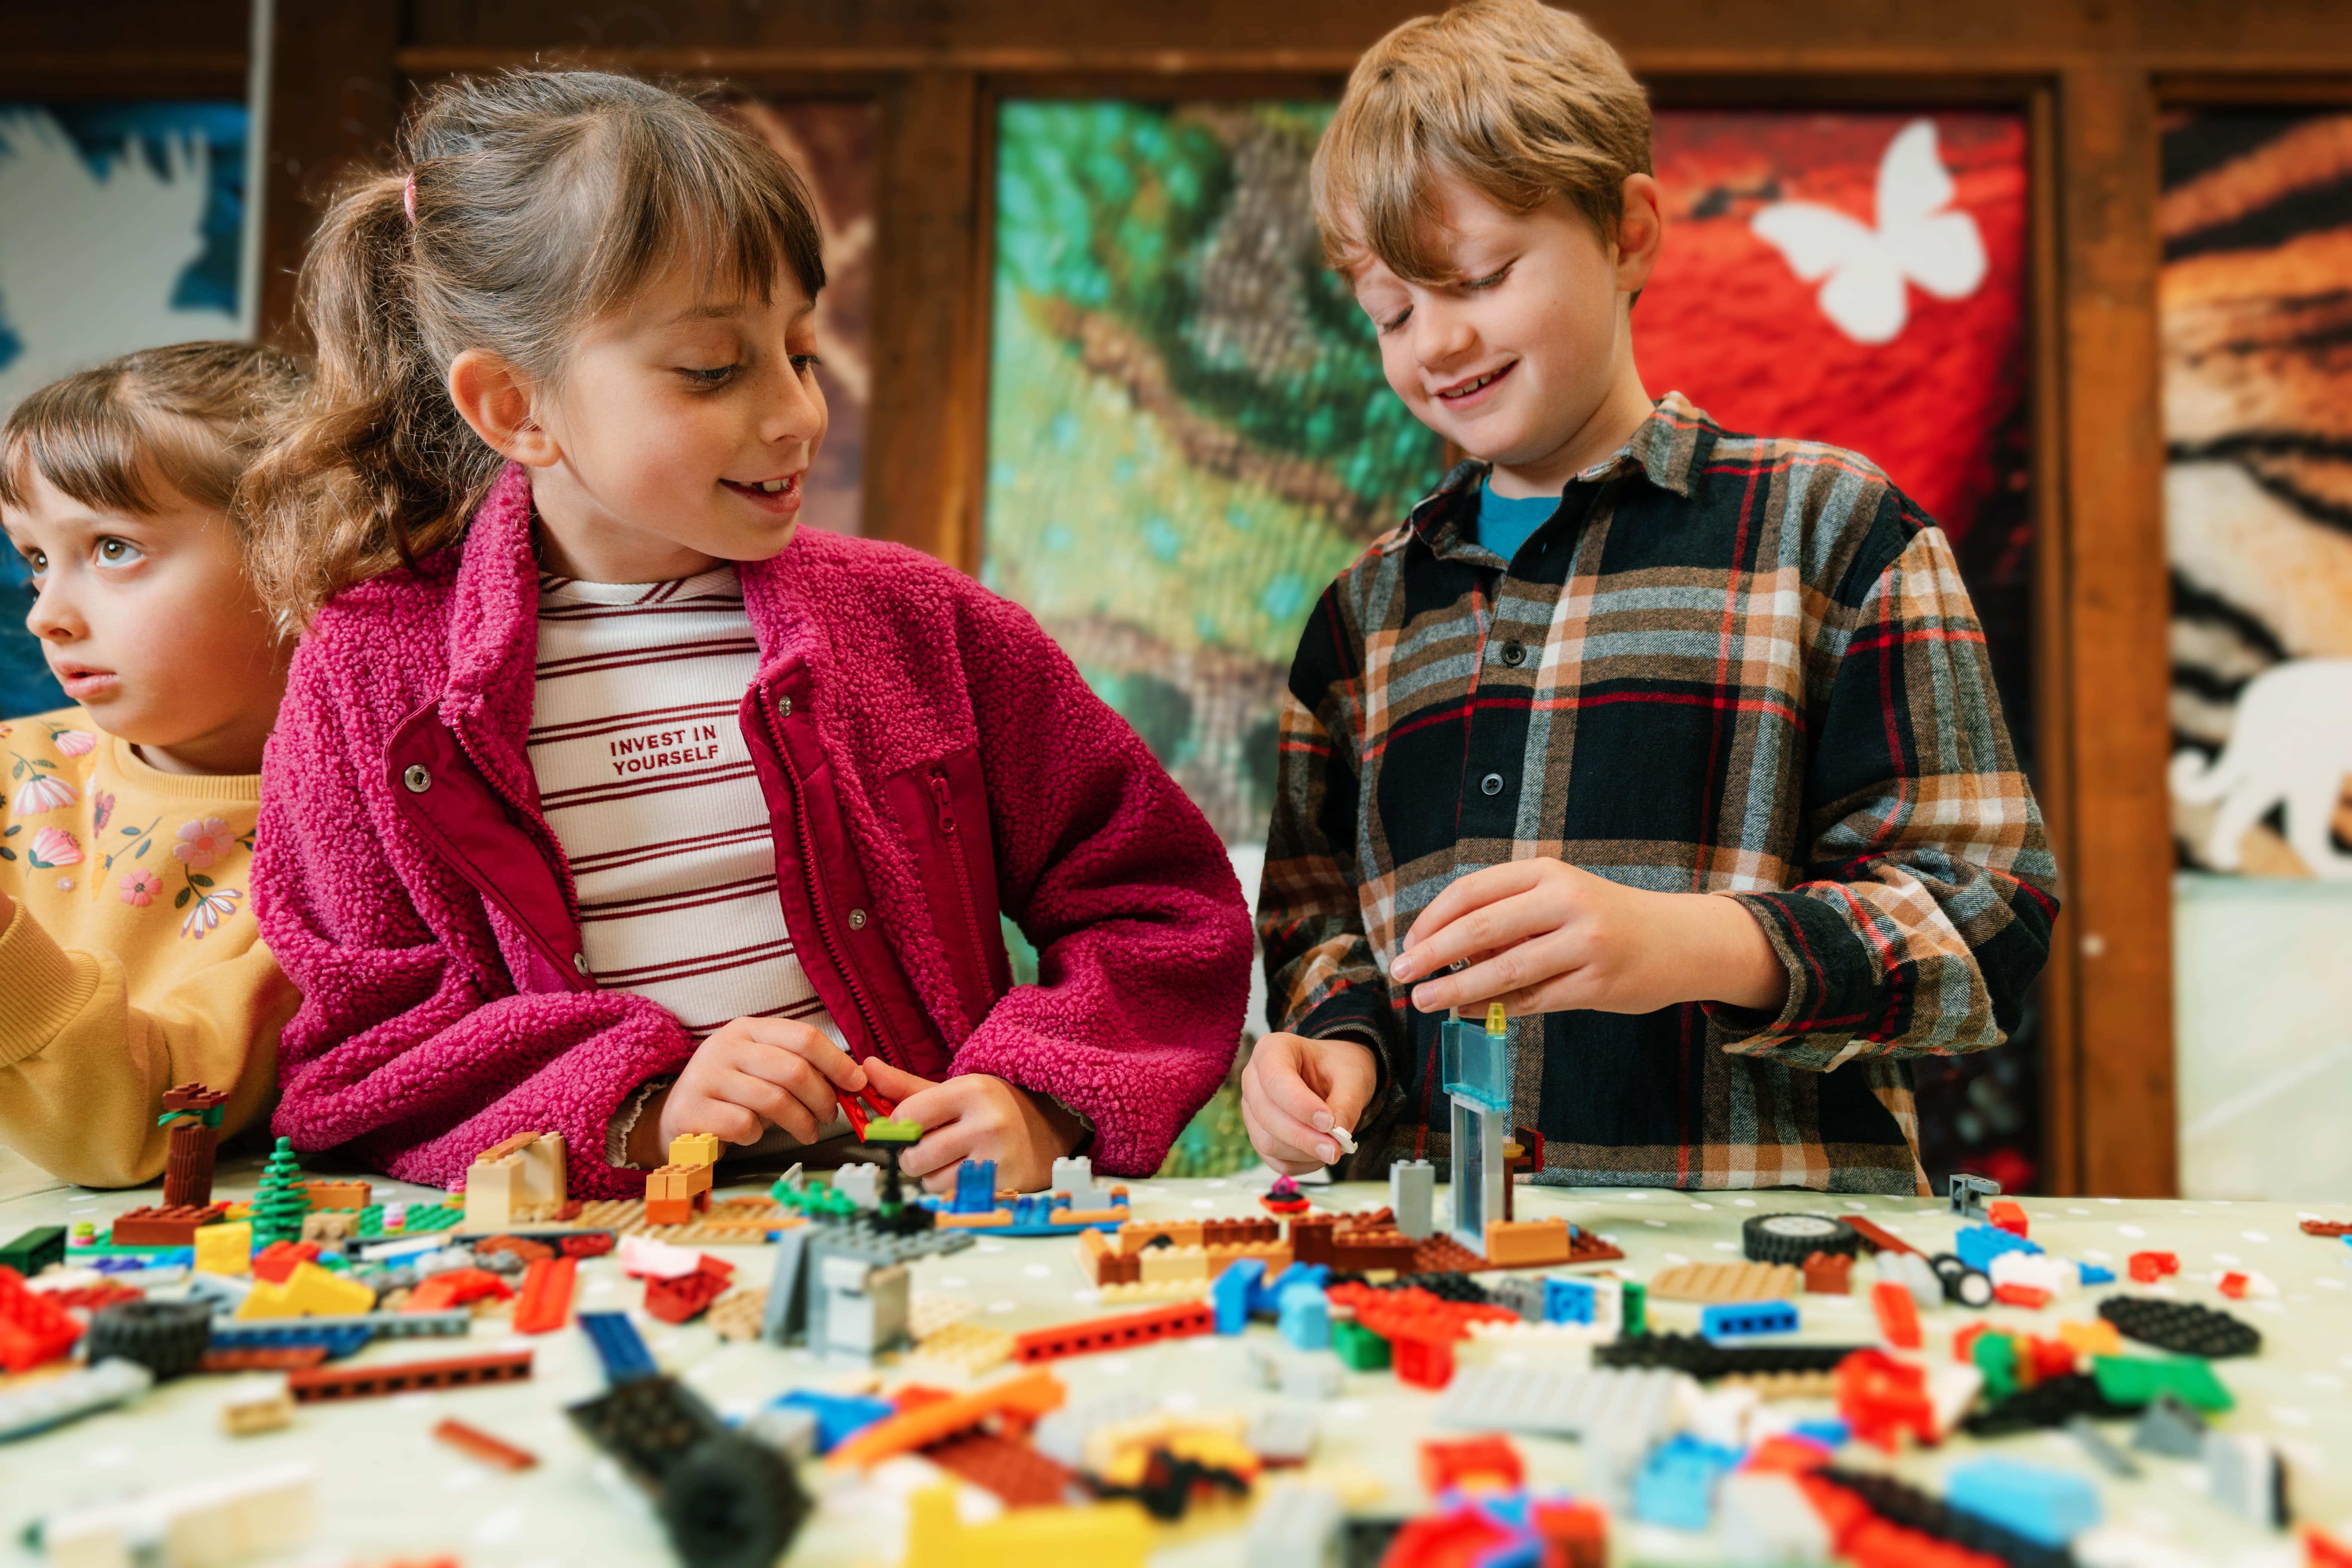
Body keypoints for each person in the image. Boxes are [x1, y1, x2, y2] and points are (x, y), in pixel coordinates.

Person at [244, 71, 1249, 1200]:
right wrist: (640, 1104)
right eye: (714, 369)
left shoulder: (926, 624)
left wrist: (1042, 1094)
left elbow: (1159, 904)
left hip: (929, 1240)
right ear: (513, 408)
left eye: (803, 351)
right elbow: (367, 1052)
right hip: (591, 1263)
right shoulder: (367, 672)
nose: (797, 412)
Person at [1244, 0, 2059, 1193]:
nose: (1439, 340)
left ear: (1628, 232)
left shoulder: (1832, 530)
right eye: (1393, 311)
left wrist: (1691, 944)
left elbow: (1990, 927)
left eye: (1479, 276)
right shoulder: (1362, 615)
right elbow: (1318, 931)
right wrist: (1329, 1050)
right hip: (1427, 1270)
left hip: (1764, 1278)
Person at [0, 342, 305, 1186]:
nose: (48, 616)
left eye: (111, 548)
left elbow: (151, 1121)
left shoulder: (337, 861)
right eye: (35, 560)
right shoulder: (16, 768)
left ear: (302, 554)